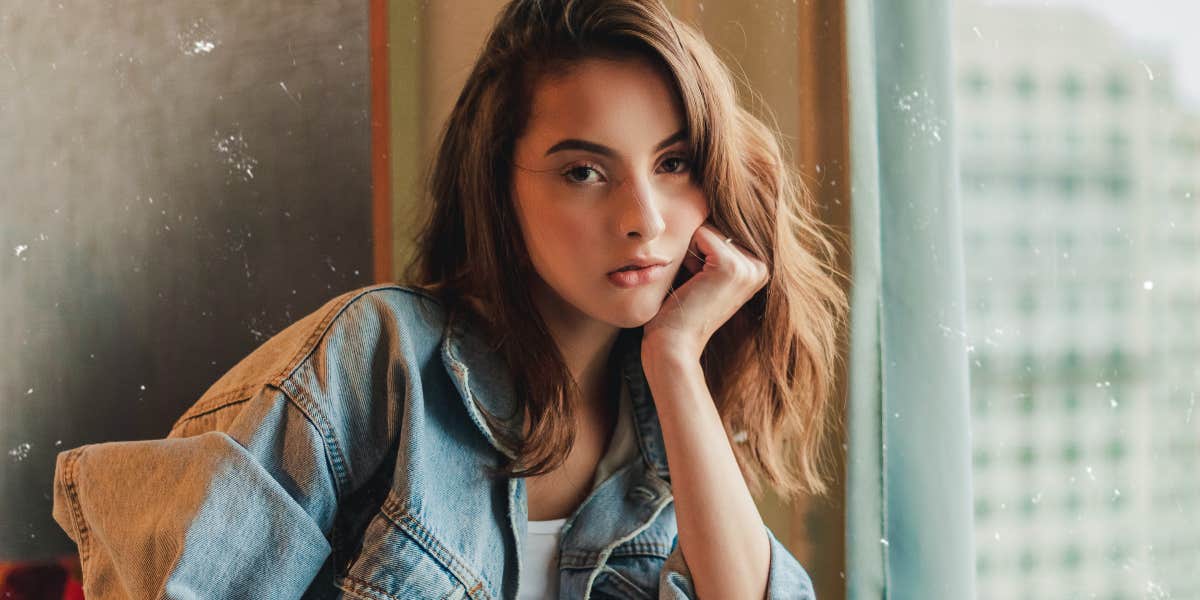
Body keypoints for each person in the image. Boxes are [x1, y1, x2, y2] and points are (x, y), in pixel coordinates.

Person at [50, 0, 847, 597]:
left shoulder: (662, 419)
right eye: (583, 171)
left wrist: (675, 361)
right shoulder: (379, 356)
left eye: (673, 164)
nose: (643, 219)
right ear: (499, 187)